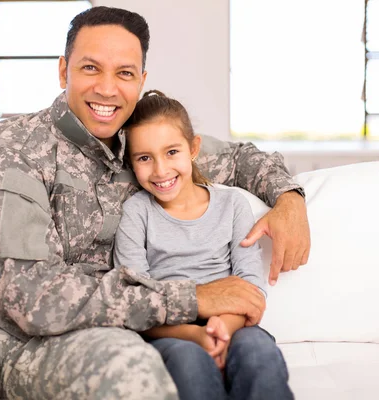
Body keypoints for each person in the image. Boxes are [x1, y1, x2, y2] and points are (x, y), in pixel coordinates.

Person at [0, 6, 309, 399]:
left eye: (124, 73)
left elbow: (243, 159)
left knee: (134, 374)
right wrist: (193, 298)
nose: (107, 88)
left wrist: (289, 199)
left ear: (141, 81)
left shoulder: (145, 148)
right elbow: (34, 298)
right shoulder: (7, 150)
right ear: (63, 72)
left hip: (73, 340)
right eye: (90, 68)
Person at [113, 90, 294, 400]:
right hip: (173, 331)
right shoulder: (136, 212)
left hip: (233, 324)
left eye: (172, 152)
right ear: (131, 162)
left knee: (259, 356)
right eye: (144, 158)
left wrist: (222, 330)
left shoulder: (231, 205)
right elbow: (134, 298)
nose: (160, 170)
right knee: (190, 364)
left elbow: (250, 285)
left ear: (193, 148)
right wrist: (196, 334)